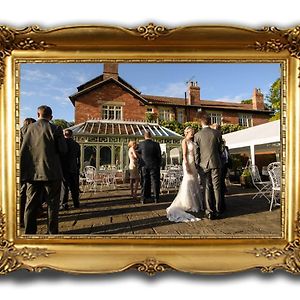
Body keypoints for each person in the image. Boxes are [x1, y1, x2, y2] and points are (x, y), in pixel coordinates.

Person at [20, 105, 67, 234]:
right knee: (52, 205)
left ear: (38, 114)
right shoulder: (56, 128)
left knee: (30, 204)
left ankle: (29, 232)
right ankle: (52, 232)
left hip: (32, 173)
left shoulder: (25, 129)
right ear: (51, 117)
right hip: (51, 172)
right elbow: (63, 150)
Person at [166, 127, 203, 222]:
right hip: (188, 162)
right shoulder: (184, 141)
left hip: (193, 163)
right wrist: (187, 165)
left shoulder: (193, 142)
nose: (192, 134)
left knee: (194, 181)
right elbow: (184, 154)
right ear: (186, 133)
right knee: (188, 181)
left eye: (193, 133)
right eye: (191, 132)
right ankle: (188, 203)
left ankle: (195, 203)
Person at [194, 114, 223, 220]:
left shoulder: (197, 135)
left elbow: (196, 153)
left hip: (203, 165)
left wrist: (197, 165)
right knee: (217, 187)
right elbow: (220, 150)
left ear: (201, 122)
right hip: (216, 163)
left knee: (206, 187)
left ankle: (209, 211)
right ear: (210, 122)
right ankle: (218, 210)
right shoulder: (217, 133)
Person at [19, 117, 36, 228]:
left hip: (20, 168)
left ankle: (20, 219)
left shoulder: (19, 132)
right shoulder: (31, 132)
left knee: (22, 193)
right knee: (29, 195)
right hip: (30, 168)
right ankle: (26, 219)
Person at [137, 130, 162, 204]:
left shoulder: (141, 144)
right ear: (151, 136)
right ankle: (156, 198)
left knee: (144, 181)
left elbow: (138, 153)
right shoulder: (156, 144)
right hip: (154, 165)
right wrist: (158, 164)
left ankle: (143, 199)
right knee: (155, 181)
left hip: (144, 166)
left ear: (144, 136)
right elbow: (159, 156)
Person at [60, 129, 81, 210]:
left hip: (64, 168)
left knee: (64, 187)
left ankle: (64, 204)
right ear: (71, 135)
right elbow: (78, 158)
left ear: (64, 135)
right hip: (74, 168)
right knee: (74, 187)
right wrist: (77, 167)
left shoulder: (62, 144)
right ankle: (76, 203)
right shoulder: (76, 145)